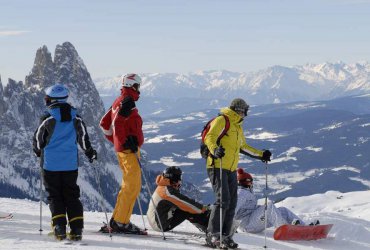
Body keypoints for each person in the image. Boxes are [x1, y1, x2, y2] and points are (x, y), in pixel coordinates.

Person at [204, 98, 272, 249]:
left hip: (230, 168)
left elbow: (243, 147)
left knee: (232, 202)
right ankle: (213, 234)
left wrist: (261, 154)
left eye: (245, 112)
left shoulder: (237, 126)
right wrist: (215, 149)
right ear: (237, 110)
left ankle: (226, 235)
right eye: (243, 111)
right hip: (217, 165)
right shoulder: (223, 120)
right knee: (223, 200)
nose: (244, 114)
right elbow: (210, 137)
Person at [33, 84, 97, 241]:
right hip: (70, 165)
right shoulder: (76, 118)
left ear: (51, 100)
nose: (45, 101)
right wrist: (90, 153)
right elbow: (83, 139)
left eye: (46, 98)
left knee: (55, 196)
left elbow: (38, 140)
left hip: (50, 165)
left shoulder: (47, 118)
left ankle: (60, 229)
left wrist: (38, 151)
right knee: (71, 195)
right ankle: (76, 230)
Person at [99, 73, 145, 234]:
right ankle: (121, 222)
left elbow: (104, 124)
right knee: (132, 186)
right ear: (132, 85)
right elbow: (118, 123)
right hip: (128, 151)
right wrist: (124, 142)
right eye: (137, 86)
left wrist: (117, 141)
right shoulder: (127, 102)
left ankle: (118, 219)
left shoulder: (119, 101)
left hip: (125, 150)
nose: (139, 89)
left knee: (129, 185)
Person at [235, 168, 310, 233]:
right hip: (246, 224)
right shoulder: (241, 193)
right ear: (248, 182)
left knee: (283, 211)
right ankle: (284, 229)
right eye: (251, 182)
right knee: (269, 207)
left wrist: (259, 209)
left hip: (252, 220)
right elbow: (233, 209)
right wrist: (231, 227)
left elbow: (248, 209)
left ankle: (303, 227)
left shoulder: (246, 193)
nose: (252, 184)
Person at [147, 166, 210, 233]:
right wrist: (204, 208)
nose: (180, 181)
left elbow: (181, 201)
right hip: (160, 224)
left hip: (156, 221)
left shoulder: (163, 187)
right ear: (174, 179)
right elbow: (185, 203)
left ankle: (205, 225)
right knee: (187, 209)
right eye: (179, 178)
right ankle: (208, 228)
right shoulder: (168, 192)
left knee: (186, 207)